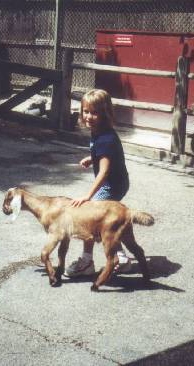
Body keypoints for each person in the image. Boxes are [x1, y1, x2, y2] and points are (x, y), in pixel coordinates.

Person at [65, 89, 132, 277]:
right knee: (106, 223)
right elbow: (106, 157)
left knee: (90, 217)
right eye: (86, 111)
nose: (89, 116)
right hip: (118, 181)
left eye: (95, 113)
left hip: (111, 184)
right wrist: (92, 158)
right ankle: (122, 258)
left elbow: (104, 171)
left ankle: (87, 262)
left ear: (105, 113)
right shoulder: (100, 132)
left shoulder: (105, 139)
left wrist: (88, 196)